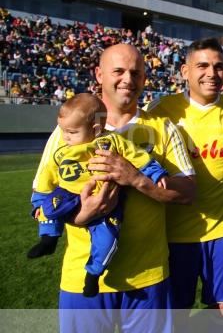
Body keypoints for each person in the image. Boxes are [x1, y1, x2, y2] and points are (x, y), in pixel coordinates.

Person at [32, 43, 196, 332]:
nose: (128, 80)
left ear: (145, 78)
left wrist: (136, 179)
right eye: (118, 71)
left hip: (148, 276)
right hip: (79, 275)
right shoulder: (66, 131)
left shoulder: (163, 127)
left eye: (136, 73)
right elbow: (40, 201)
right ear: (99, 74)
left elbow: (187, 192)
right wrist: (81, 216)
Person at [145, 38, 223, 328]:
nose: (211, 73)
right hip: (174, 233)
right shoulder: (161, 110)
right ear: (184, 71)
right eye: (202, 66)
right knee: (178, 311)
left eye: (218, 67)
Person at [27, 93, 168, 298]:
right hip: (68, 194)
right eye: (64, 131)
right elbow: (47, 175)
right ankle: (48, 240)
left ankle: (93, 274)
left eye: (72, 132)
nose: (65, 136)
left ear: (95, 129)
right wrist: (39, 200)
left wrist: (156, 173)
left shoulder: (113, 142)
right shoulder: (62, 149)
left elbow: (139, 157)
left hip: (108, 207)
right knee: (49, 207)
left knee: (108, 240)